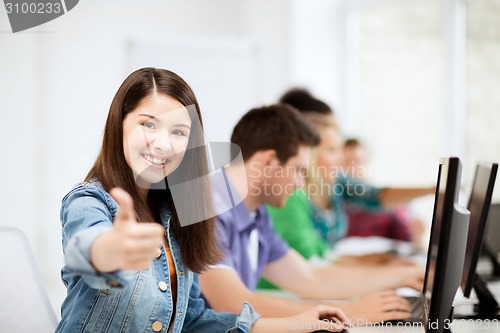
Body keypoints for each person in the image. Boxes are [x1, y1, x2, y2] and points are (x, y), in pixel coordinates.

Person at [56, 68, 349, 333]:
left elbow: (193, 319)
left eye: (179, 132)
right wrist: (108, 249)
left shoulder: (180, 213)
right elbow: (85, 245)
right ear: (119, 124)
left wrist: (295, 324)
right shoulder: (89, 200)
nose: (163, 143)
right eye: (148, 125)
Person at [199, 103, 424, 324]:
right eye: (298, 170)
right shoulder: (207, 208)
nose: (300, 184)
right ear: (267, 161)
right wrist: (346, 313)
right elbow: (232, 303)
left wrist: (405, 275)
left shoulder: (256, 213)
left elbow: (308, 277)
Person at [264, 88, 434, 261]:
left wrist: (433, 189)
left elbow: (375, 196)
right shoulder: (291, 195)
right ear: (309, 153)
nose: (341, 160)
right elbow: (310, 263)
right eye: (332, 150)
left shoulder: (335, 181)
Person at [342, 138, 426, 246]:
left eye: (357, 162)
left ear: (366, 164)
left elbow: (410, 243)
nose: (351, 168)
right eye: (346, 163)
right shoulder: (333, 207)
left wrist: (417, 235)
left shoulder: (390, 204)